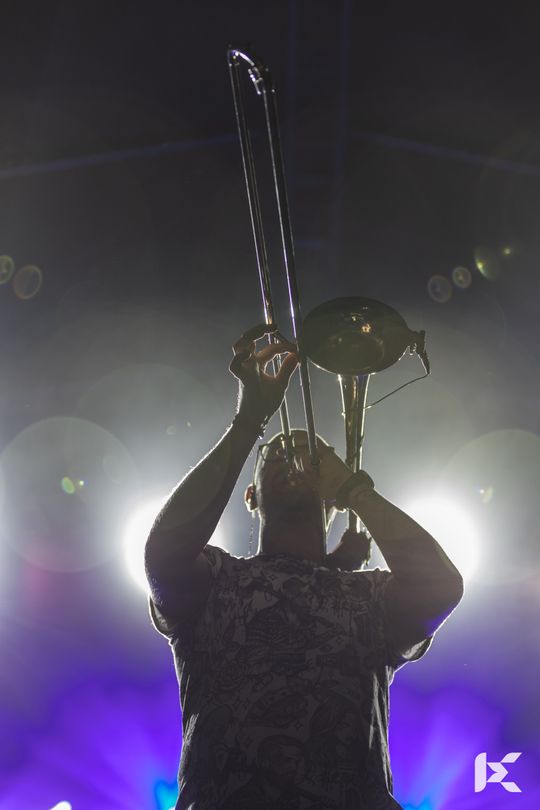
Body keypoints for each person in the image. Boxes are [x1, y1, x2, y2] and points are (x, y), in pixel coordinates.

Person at [145, 323, 464, 810]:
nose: (292, 454)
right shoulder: (218, 578)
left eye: (313, 454)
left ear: (332, 488)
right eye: (273, 452)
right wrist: (249, 420)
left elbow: (441, 588)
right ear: (250, 495)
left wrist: (355, 490)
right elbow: (163, 556)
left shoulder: (368, 597)